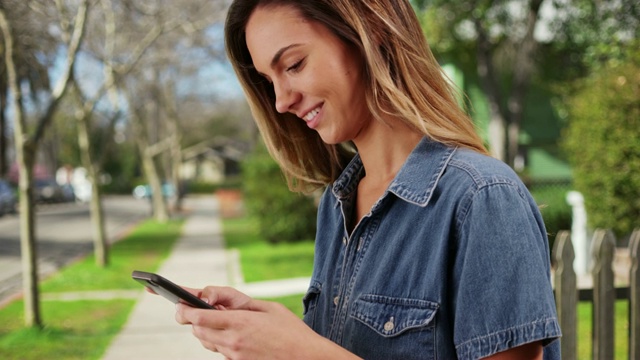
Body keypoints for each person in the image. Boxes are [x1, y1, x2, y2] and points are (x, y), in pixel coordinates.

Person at [173, 0, 562, 359]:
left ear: (369, 32)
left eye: (293, 65)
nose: (280, 101)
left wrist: (304, 354)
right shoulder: (338, 202)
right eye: (269, 80)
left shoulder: (483, 198)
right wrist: (275, 331)